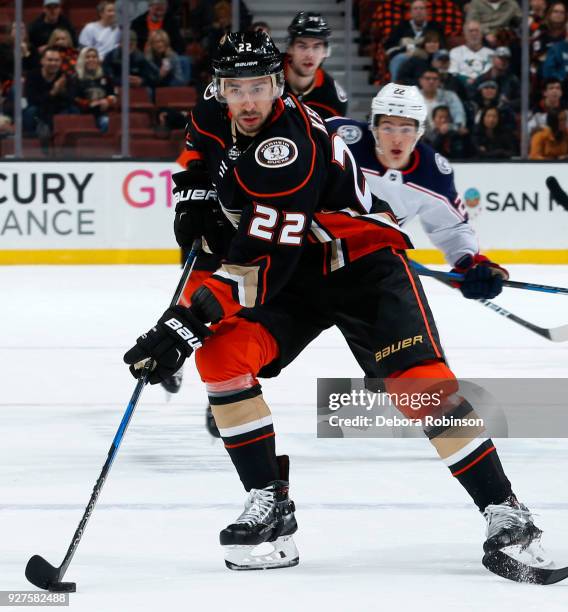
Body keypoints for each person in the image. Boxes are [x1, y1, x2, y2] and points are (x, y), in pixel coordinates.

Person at [125, 34, 546, 575]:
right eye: (236, 89)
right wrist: (192, 200)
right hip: (293, 271)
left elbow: (257, 261)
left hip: (358, 265)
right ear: (218, 87)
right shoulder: (215, 106)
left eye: (259, 87)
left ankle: (504, 511)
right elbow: (196, 162)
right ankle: (270, 506)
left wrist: (183, 323)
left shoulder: (288, 149)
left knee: (419, 387)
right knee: (222, 357)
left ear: (278, 85)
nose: (247, 101)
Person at [283, 11, 348, 119]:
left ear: (325, 52)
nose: (309, 55)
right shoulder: (267, 74)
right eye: (302, 46)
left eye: (317, 46)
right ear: (290, 48)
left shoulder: (333, 100)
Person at [23, 46, 76, 140]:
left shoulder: (65, 77)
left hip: (58, 110)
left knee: (73, 110)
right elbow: (32, 100)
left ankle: (66, 145)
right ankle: (30, 143)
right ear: (42, 61)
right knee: (30, 111)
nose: (53, 63)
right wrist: (53, 92)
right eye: (50, 60)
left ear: (60, 62)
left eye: (56, 60)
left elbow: (70, 100)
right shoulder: (32, 75)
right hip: (39, 111)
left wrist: (62, 91)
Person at [385, 0, 445, 81]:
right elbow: (390, 47)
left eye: (421, 8)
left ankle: (443, 84)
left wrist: (423, 50)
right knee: (398, 58)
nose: (419, 11)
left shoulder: (435, 26)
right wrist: (405, 51)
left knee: (443, 54)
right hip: (407, 55)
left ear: (427, 12)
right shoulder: (401, 26)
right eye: (415, 8)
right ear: (410, 12)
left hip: (430, 54)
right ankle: (396, 87)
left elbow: (442, 45)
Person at [72, 47, 116, 132]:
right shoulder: (75, 78)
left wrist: (108, 101)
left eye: (94, 57)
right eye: (88, 57)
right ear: (82, 60)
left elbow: (113, 94)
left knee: (108, 122)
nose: (91, 59)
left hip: (102, 114)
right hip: (83, 115)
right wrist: (90, 103)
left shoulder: (105, 76)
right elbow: (74, 99)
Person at [472, 47, 520, 111]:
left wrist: (509, 103)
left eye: (506, 59)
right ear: (493, 59)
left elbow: (522, 100)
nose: (503, 61)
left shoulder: (513, 80)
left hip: (505, 113)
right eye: (500, 58)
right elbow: (472, 97)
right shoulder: (482, 79)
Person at [449, 20, 494, 85]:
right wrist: (466, 80)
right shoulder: (455, 52)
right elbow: (453, 73)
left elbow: (493, 74)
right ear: (464, 34)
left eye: (476, 31)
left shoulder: (491, 53)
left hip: (486, 87)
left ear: (481, 34)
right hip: (463, 87)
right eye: (471, 31)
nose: (474, 34)